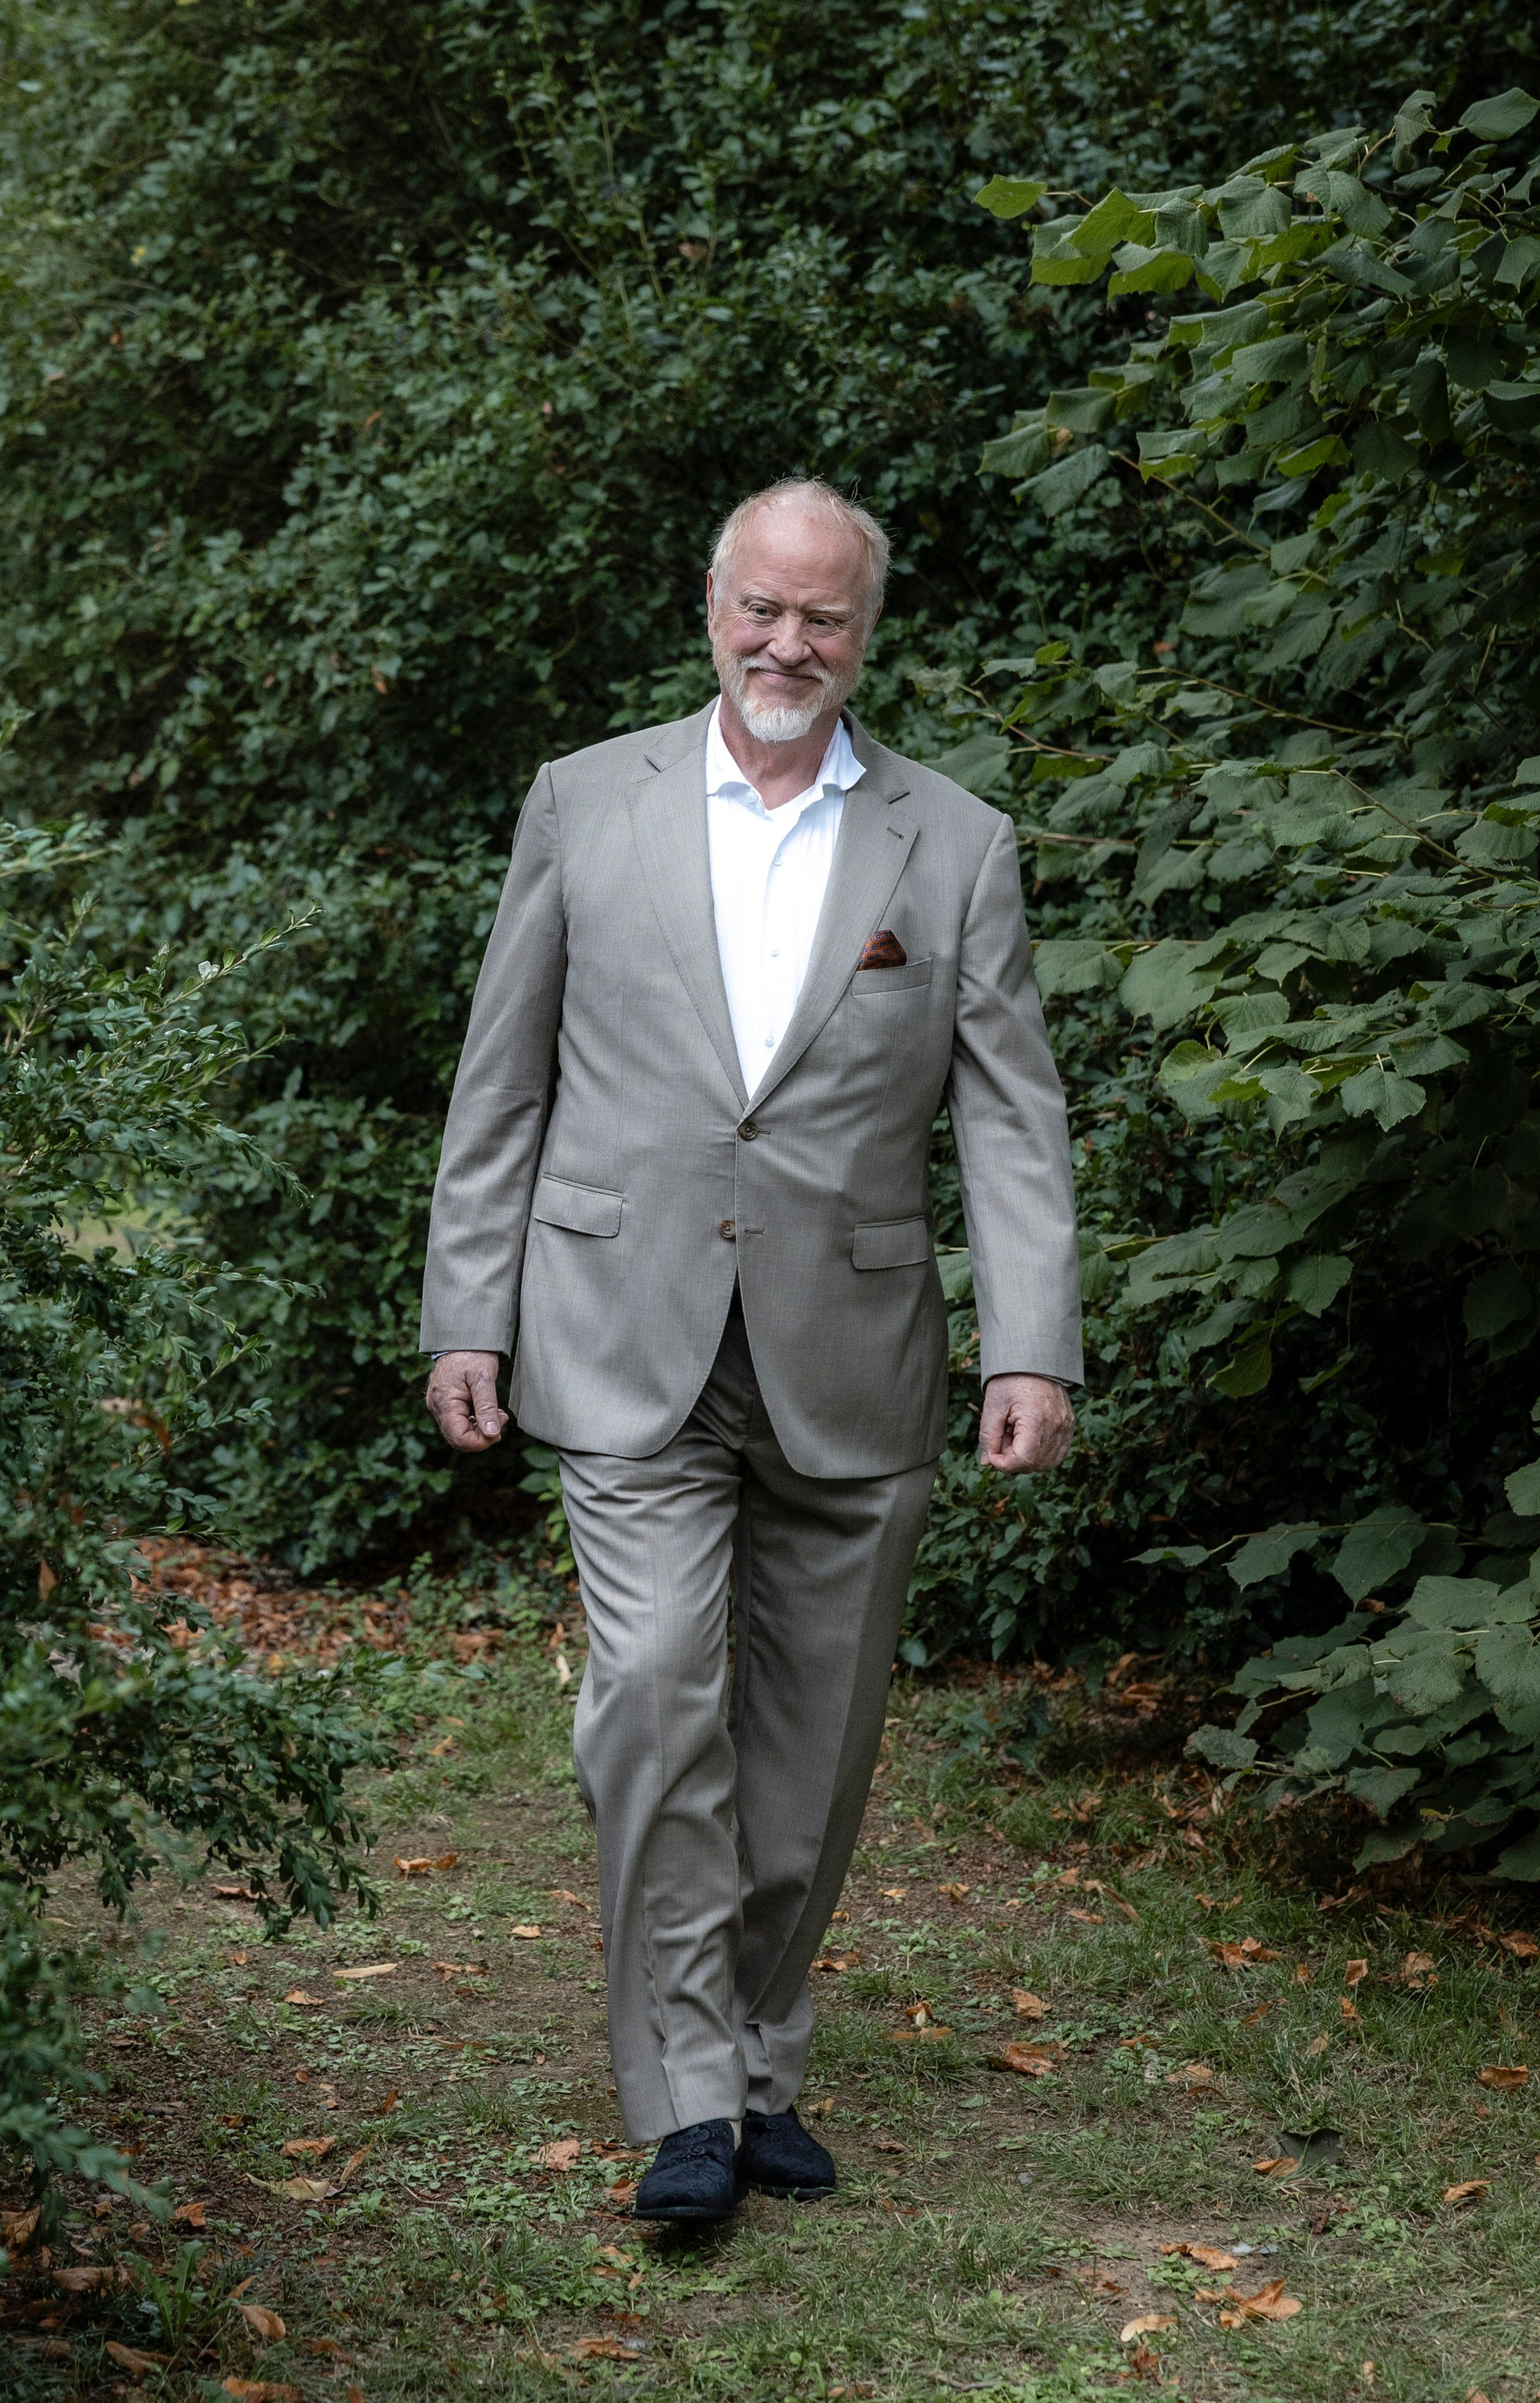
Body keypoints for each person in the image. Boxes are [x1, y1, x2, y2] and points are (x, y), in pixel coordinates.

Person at [420, 478, 1080, 2223]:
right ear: (708, 612)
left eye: (824, 618)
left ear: (865, 636)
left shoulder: (954, 842)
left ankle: (756, 2053)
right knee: (647, 1697)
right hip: (618, 1330)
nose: (787, 644)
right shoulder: (585, 803)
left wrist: (1034, 1346)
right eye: (759, 612)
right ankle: (686, 2099)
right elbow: (503, 1082)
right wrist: (462, 1307)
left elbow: (1008, 1122)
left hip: (850, 1349)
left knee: (813, 1736)